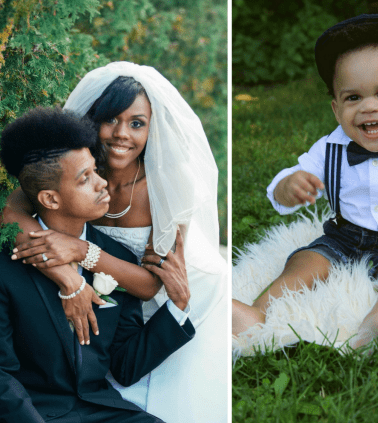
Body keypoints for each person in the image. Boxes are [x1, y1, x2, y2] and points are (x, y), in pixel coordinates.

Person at [3, 62, 228, 422]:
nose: (122, 133)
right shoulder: (70, 160)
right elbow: (12, 214)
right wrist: (70, 279)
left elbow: (149, 283)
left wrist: (80, 252)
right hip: (98, 302)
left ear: (152, 129)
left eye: (137, 123)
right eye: (112, 120)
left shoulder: (166, 180)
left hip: (160, 285)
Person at [232, 14, 378, 353]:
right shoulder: (330, 148)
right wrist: (290, 185)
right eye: (353, 98)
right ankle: (255, 313)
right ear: (337, 109)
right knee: (305, 262)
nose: (369, 107)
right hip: (343, 235)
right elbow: (283, 183)